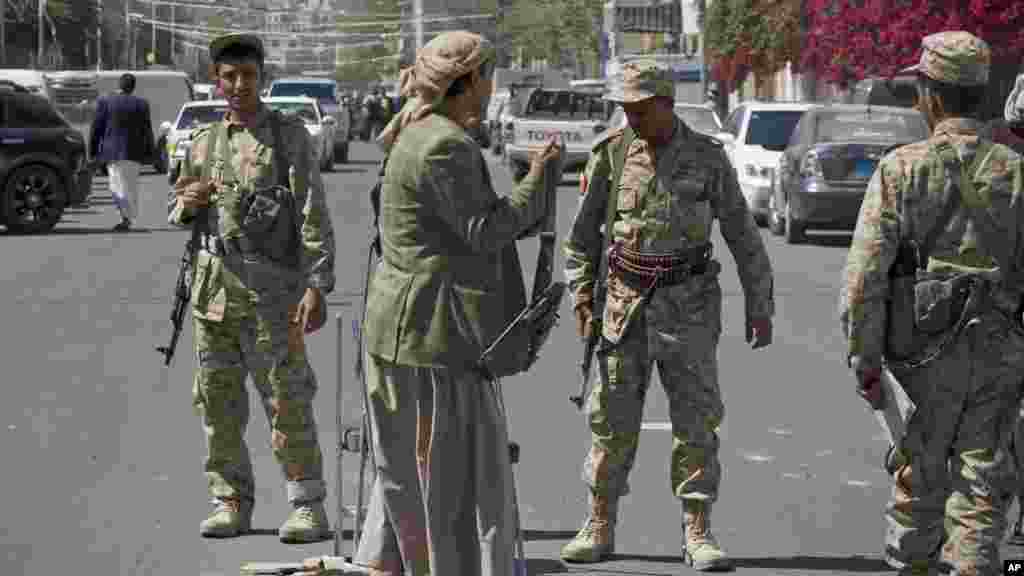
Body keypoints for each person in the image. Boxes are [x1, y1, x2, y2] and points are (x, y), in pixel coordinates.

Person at [299, 30, 561, 576]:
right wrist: (538, 179)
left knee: (404, 471)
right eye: (486, 77)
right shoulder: (444, 143)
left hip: (400, 329)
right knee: (446, 475)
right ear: (465, 85)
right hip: (433, 337)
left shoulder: (414, 133)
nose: (491, 89)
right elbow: (485, 231)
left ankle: (384, 562)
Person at [560, 60, 774, 571]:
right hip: (623, 309)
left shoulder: (707, 158)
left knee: (696, 423)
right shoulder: (611, 156)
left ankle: (697, 530)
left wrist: (759, 304)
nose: (630, 118)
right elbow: (582, 239)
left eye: (639, 108)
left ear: (665, 103)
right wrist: (582, 298)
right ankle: (599, 522)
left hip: (690, 308)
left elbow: (742, 234)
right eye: (625, 110)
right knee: (611, 421)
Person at [840, 31, 1024, 575]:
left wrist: (864, 359)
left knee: (919, 483)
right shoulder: (1016, 173)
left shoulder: (902, 169)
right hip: (1000, 354)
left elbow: (863, 279)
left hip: (920, 359)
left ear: (932, 97)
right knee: (982, 491)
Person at [167, 33, 336, 544]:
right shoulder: (201, 143)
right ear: (216, 80)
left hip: (272, 296)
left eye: (249, 75)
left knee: (286, 399)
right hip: (211, 296)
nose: (240, 85)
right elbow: (178, 209)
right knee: (217, 404)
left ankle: (307, 503)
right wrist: (188, 202)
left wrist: (318, 284)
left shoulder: (288, 138)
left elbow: (313, 213)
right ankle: (231, 500)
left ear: (262, 77)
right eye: (230, 76)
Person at [89, 72, 155, 231]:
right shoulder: (142, 104)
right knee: (131, 186)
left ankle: (125, 218)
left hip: (113, 153)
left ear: (119, 85)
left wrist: (92, 151)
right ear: (133, 87)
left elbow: (96, 128)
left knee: (117, 186)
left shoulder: (106, 102)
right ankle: (127, 217)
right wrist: (150, 153)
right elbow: (147, 130)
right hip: (134, 153)